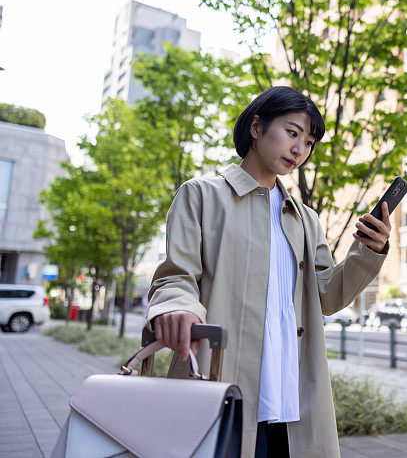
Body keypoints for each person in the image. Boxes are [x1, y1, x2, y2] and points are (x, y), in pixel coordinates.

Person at [145, 86, 391, 457]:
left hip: (291, 398)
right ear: (257, 127)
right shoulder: (201, 195)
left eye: (308, 142)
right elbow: (176, 274)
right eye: (292, 133)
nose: (299, 150)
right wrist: (178, 307)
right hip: (221, 383)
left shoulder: (305, 219)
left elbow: (326, 295)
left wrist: (367, 251)